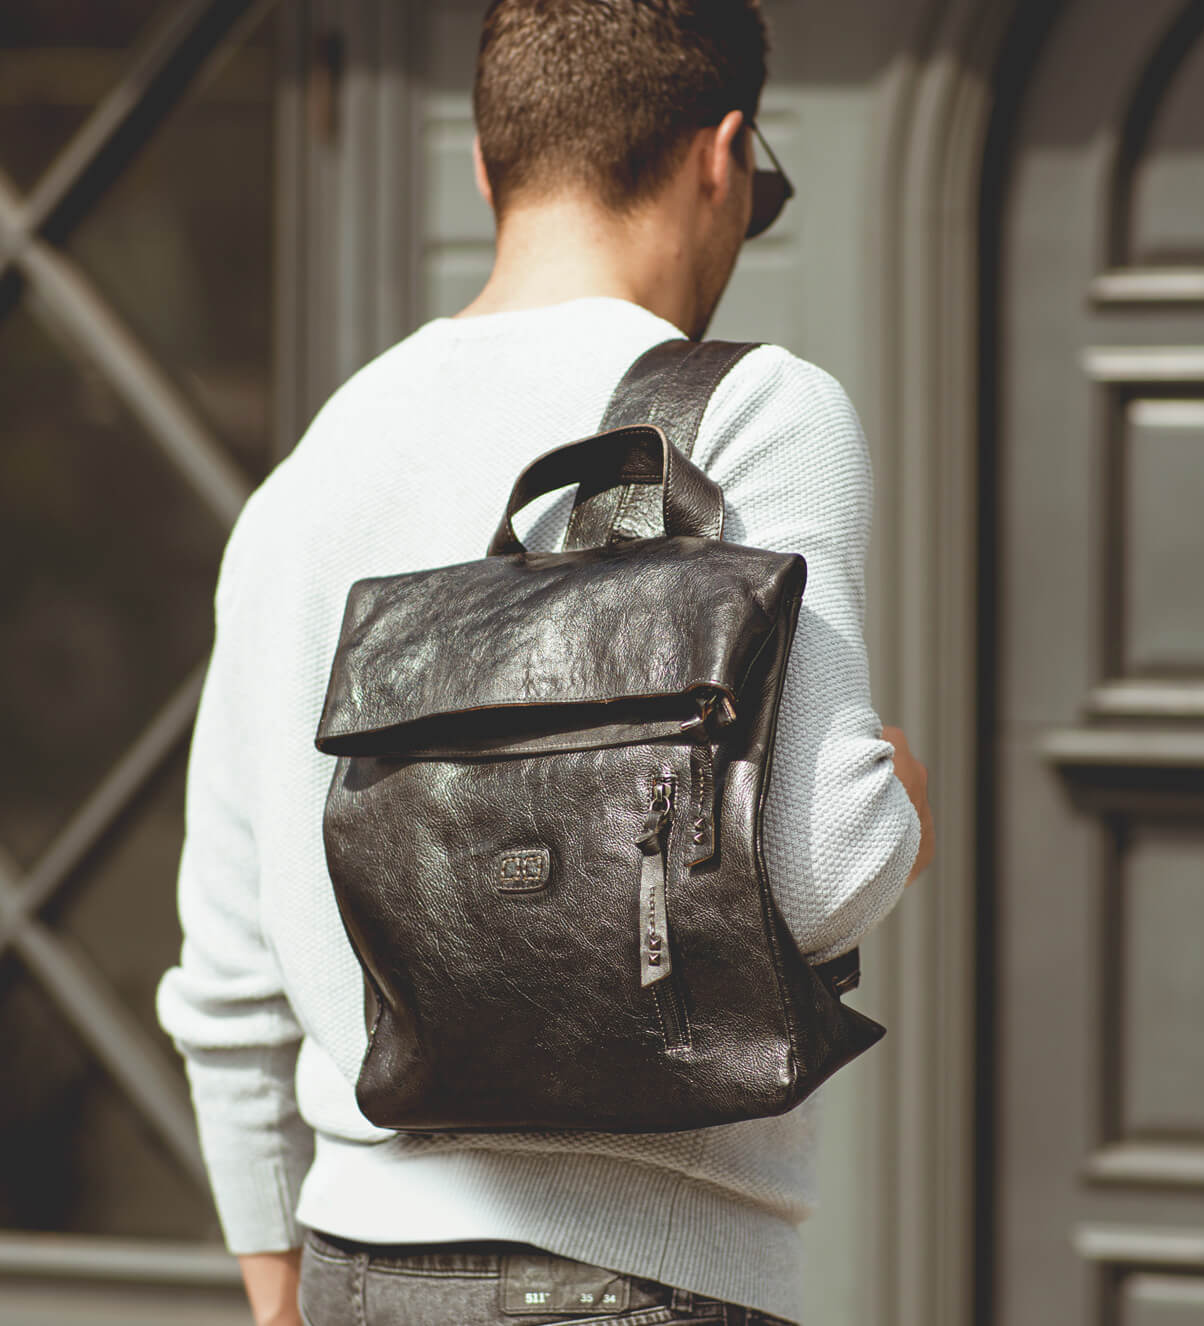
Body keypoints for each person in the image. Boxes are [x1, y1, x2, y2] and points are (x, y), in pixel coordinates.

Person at [156, 1, 935, 1323]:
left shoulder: (306, 479)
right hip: (642, 1272)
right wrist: (906, 785)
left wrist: (283, 1287)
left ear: (482, 165)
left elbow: (228, 978)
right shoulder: (749, 412)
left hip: (353, 1261)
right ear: (724, 158)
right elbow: (810, 875)